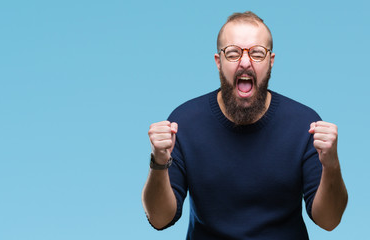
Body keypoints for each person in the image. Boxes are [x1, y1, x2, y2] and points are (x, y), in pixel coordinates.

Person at [142, 11, 348, 239]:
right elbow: (160, 219)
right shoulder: (184, 123)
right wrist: (158, 162)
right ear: (218, 62)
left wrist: (332, 165)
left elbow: (329, 221)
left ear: (271, 62)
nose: (245, 62)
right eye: (232, 53)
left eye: (258, 54)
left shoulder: (305, 125)